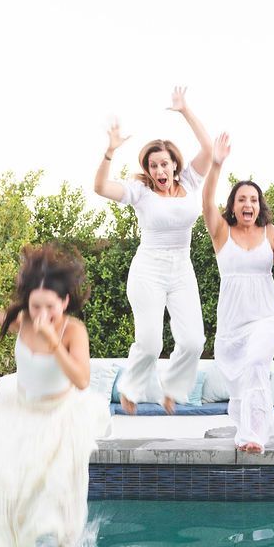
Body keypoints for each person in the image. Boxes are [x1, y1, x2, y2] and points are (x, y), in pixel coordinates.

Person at [0, 244, 110, 547]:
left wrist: (54, 344)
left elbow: (81, 379)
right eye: (35, 306)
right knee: (13, 490)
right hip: (21, 412)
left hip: (61, 415)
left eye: (49, 307)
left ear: (64, 302)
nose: (41, 315)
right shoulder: (22, 319)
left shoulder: (73, 330)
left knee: (62, 492)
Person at [93, 86, 212, 416]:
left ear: (175, 164)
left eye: (164, 164)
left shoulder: (190, 181)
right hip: (148, 268)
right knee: (150, 342)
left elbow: (208, 147)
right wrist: (109, 152)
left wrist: (185, 110)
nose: (159, 171)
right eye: (153, 165)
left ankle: (172, 389)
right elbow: (101, 187)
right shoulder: (140, 190)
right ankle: (130, 388)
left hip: (181, 268)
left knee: (193, 342)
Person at [201, 133, 274, 453]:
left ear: (259, 205)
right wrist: (216, 164)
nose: (248, 204)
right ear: (233, 207)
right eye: (242, 199)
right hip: (233, 321)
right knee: (242, 379)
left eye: (253, 199)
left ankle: (253, 437)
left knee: (254, 365)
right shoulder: (221, 232)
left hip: (267, 315)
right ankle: (250, 429)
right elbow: (205, 200)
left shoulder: (270, 232)